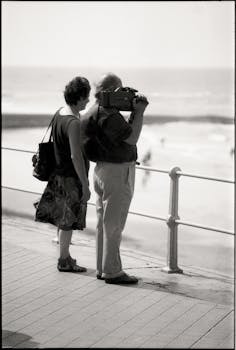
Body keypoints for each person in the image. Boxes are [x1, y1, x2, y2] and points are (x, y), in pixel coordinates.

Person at [82, 73, 148, 284]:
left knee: (104, 223)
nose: (124, 95)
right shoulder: (109, 115)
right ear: (111, 91)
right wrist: (140, 112)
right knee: (114, 224)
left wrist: (132, 114)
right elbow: (132, 138)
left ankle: (103, 268)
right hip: (117, 173)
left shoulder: (93, 111)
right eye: (121, 90)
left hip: (101, 170)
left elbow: (123, 132)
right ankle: (113, 271)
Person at [35, 76, 91, 272]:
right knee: (67, 223)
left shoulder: (59, 113)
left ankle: (65, 256)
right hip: (69, 178)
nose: (88, 101)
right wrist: (85, 184)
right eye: (86, 97)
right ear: (79, 97)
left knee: (62, 220)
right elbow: (76, 156)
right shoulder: (73, 122)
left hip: (57, 175)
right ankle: (64, 260)